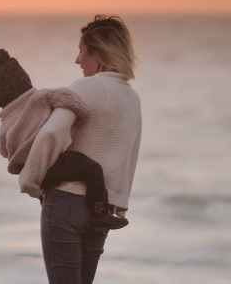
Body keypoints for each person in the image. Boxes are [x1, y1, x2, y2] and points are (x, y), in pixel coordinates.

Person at [19, 15, 142, 284]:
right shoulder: (132, 98)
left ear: (99, 54)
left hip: (66, 203)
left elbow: (50, 133)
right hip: (101, 211)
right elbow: (129, 157)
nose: (77, 60)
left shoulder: (85, 88)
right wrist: (119, 205)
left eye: (82, 51)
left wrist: (31, 181)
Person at [0, 49, 127, 230]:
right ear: (24, 79)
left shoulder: (5, 123)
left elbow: (3, 150)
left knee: (48, 196)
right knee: (92, 169)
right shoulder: (41, 97)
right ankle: (98, 213)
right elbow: (70, 100)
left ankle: (50, 211)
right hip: (54, 160)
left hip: (33, 171)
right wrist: (80, 117)